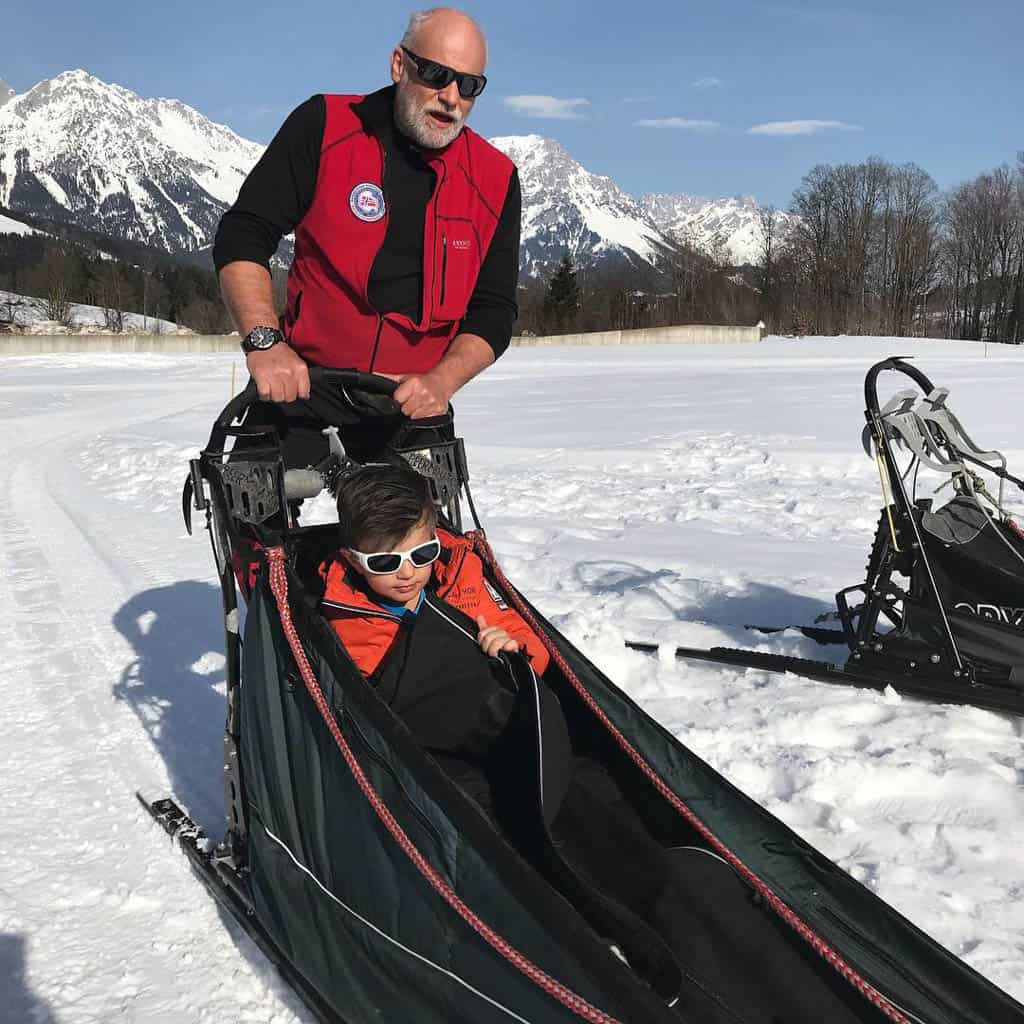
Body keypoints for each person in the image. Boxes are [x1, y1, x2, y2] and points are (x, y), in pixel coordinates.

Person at [213, 7, 520, 468]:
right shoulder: (324, 127)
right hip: (303, 384)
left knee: (427, 540)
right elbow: (244, 234)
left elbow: (493, 311)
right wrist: (265, 343)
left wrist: (441, 381)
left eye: (469, 85)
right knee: (251, 508)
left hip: (411, 401)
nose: (451, 97)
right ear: (399, 65)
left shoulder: (495, 179)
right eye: (436, 74)